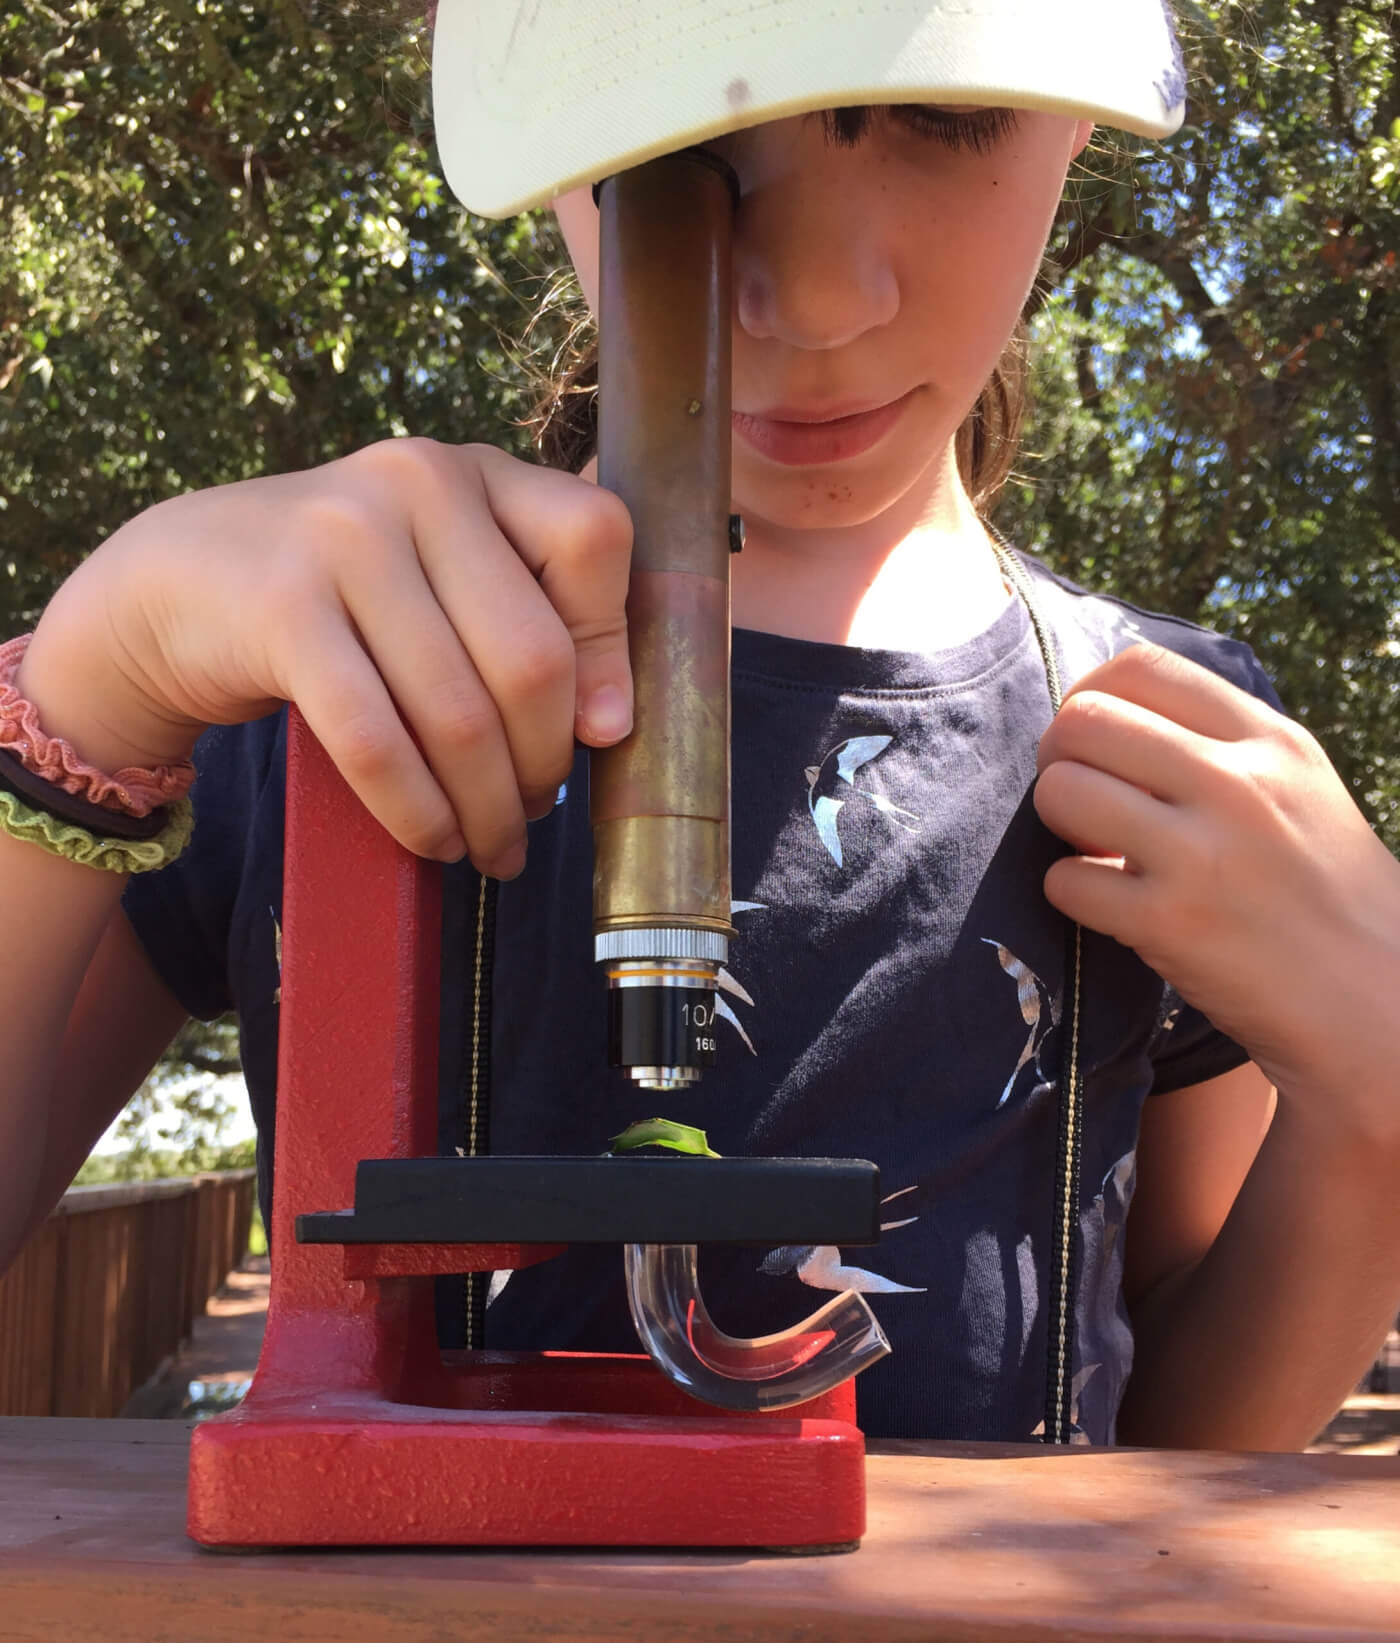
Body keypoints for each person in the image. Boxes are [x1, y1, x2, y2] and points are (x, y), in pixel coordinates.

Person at [2, 0, 1398, 1450]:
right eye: (691, 138)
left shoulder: (1172, 746)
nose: (818, 298)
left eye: (943, 114)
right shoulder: (311, 673)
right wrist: (84, 698)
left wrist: (1379, 1111)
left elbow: (1182, 1453)